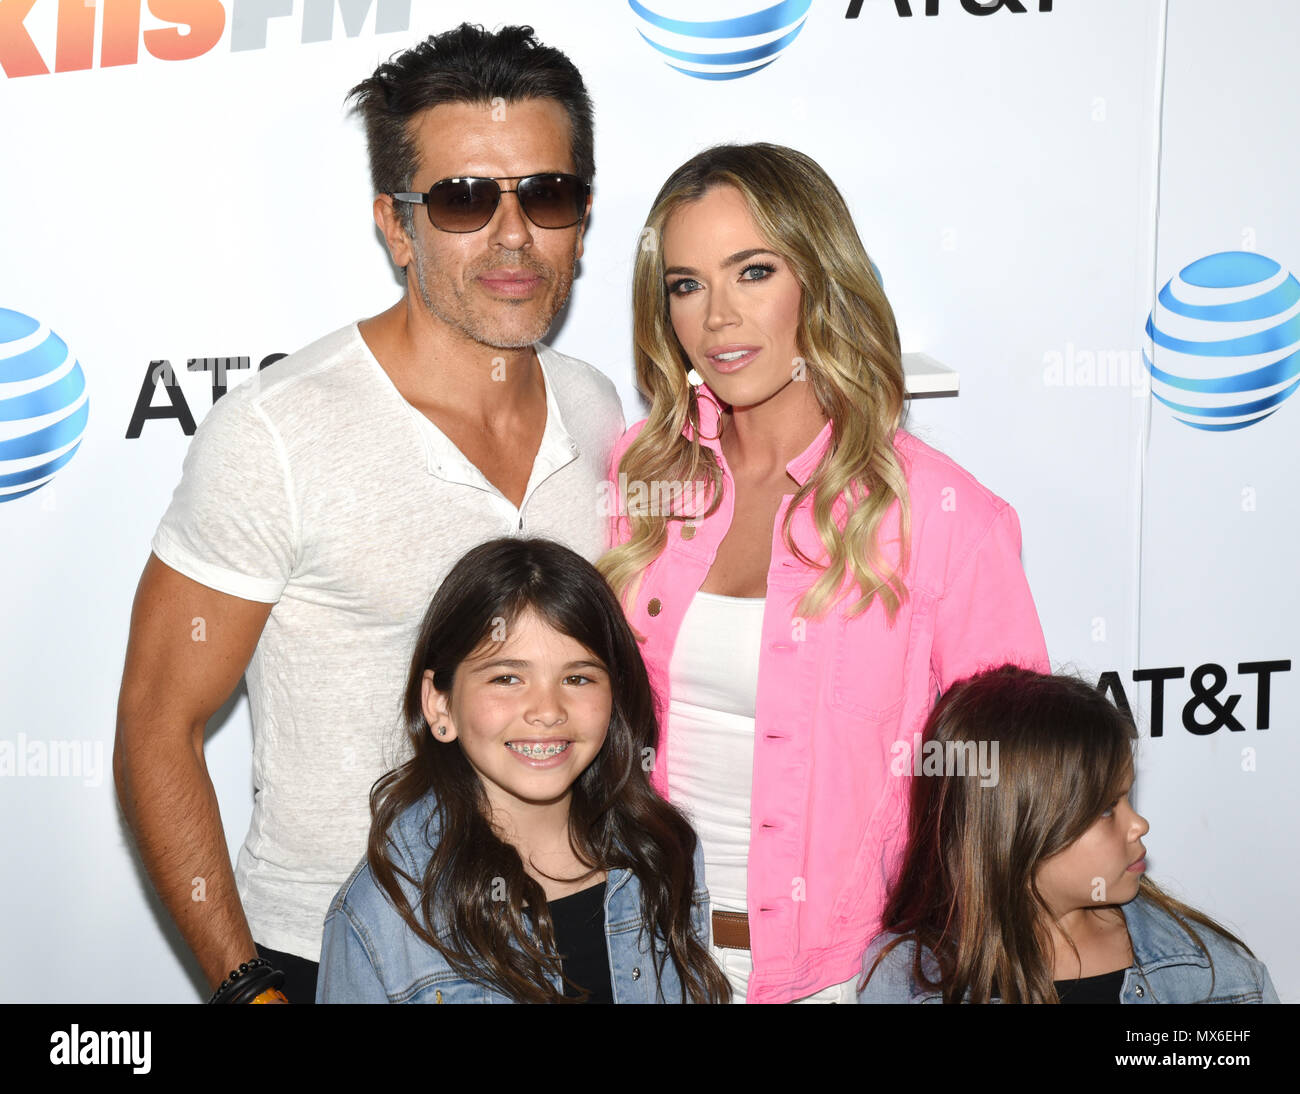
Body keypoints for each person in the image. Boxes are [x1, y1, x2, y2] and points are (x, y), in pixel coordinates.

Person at [113, 24, 623, 1004]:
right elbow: (155, 721)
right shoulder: (277, 432)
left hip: (571, 938)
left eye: (545, 195)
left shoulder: (598, 407)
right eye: (465, 199)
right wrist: (243, 987)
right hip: (341, 958)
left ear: (582, 219)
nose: (513, 235)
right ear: (397, 227)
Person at [599, 143, 1050, 1003]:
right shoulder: (642, 478)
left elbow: (1016, 791)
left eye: (754, 272)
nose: (718, 317)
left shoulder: (942, 515)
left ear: (821, 278)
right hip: (646, 960)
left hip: (851, 980)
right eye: (687, 284)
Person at [316, 537, 729, 1003]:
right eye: (507, 678)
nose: (547, 710)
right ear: (439, 703)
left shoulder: (661, 855)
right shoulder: (386, 910)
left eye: (578, 678)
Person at [857, 666, 1279, 1004]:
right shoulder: (906, 982)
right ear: (1014, 831)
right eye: (1107, 809)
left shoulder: (1208, 976)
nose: (1139, 825)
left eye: (1127, 798)